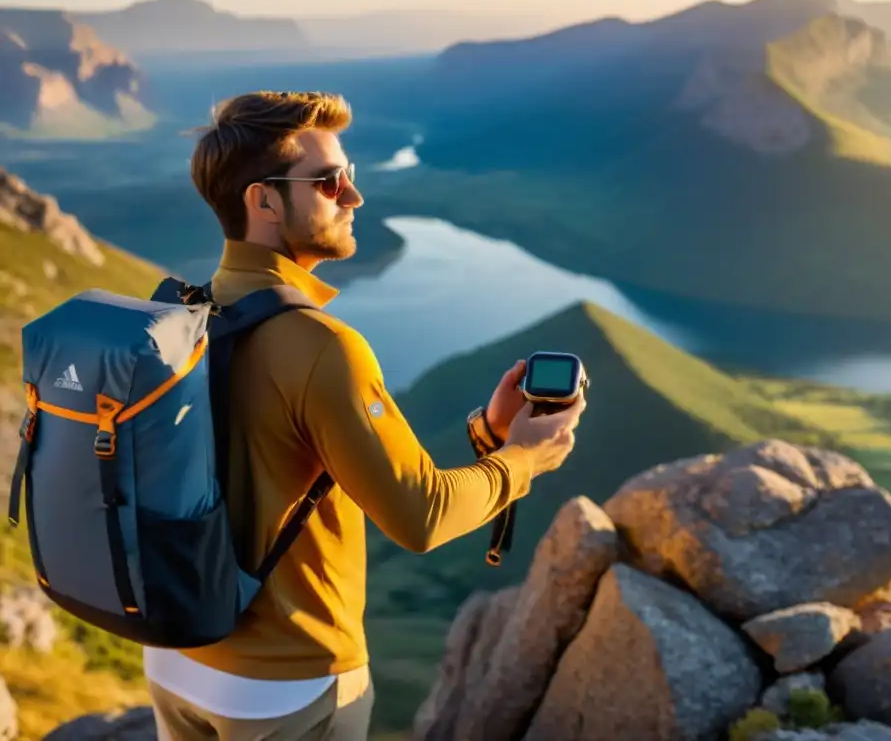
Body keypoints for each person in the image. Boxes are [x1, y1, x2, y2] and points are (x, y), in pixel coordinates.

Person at [142, 90, 586, 740]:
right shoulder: (323, 348)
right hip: (287, 683)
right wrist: (523, 458)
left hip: (175, 657)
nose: (352, 197)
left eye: (350, 176)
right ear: (262, 202)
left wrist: (487, 432)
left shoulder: (186, 317)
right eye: (328, 182)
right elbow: (422, 515)